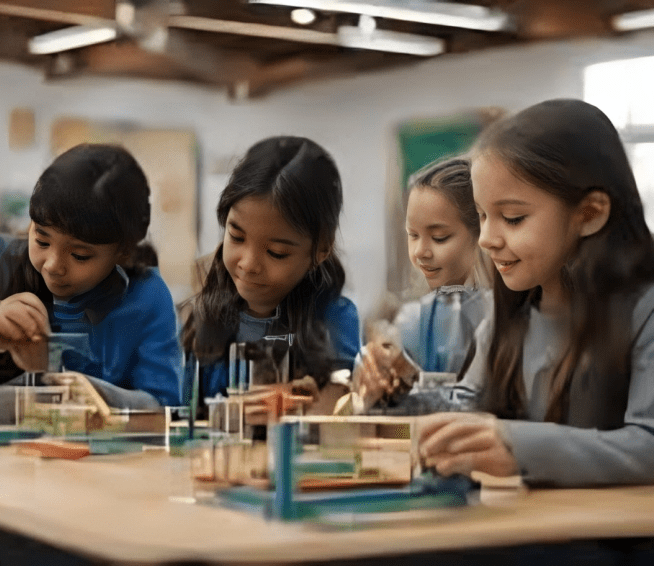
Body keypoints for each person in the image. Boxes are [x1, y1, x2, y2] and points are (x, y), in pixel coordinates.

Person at [418, 99, 654, 487]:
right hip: (521, 522)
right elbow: (465, 407)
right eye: (481, 215)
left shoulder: (645, 310)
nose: (487, 239)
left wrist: (519, 446)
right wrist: (393, 393)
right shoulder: (508, 315)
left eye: (513, 218)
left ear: (590, 214)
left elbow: (648, 446)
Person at [0, 143, 182, 409]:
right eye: (42, 240)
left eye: (80, 255)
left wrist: (53, 374)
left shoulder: (145, 295)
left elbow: (162, 407)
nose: (53, 265)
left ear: (123, 252)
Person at [180, 136, 360, 408]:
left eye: (276, 252)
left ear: (321, 250)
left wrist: (296, 409)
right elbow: (181, 414)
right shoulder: (202, 317)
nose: (248, 264)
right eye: (236, 237)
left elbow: (340, 407)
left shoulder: (334, 319)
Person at [355, 158, 491, 409]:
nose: (420, 252)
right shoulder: (415, 320)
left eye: (439, 237)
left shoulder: (503, 317)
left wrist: (412, 385)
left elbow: (477, 405)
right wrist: (380, 386)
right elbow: (402, 419)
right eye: (413, 235)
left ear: (481, 234)